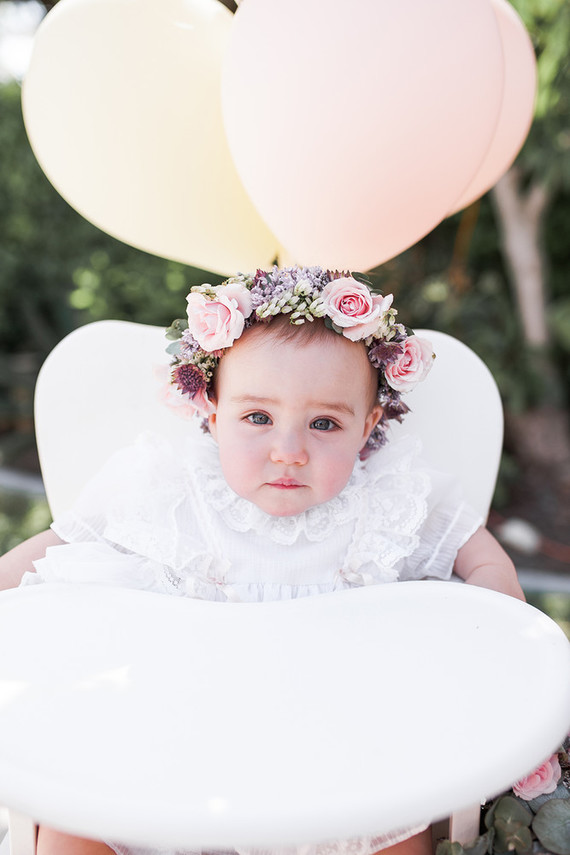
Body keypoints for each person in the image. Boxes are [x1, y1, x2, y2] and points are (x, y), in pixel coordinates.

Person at [0, 266, 525, 855]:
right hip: (168, 741)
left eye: (324, 423)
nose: (289, 451)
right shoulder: (168, 485)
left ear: (368, 426)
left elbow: (483, 561)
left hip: (339, 756)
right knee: (74, 821)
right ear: (212, 411)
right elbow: (57, 547)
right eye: (258, 418)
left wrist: (497, 629)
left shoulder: (390, 496)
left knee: (395, 830)